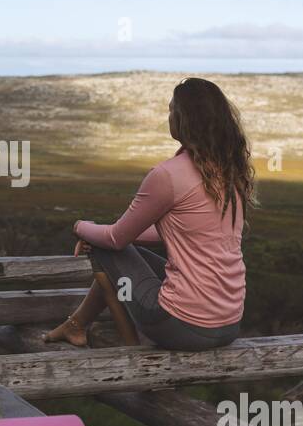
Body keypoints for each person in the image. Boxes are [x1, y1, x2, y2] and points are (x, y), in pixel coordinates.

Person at [45, 77, 255, 352]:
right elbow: (177, 231)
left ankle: (132, 356)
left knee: (104, 249)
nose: (169, 117)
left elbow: (115, 239)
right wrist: (114, 235)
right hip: (229, 324)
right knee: (116, 248)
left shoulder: (166, 175)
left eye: (171, 110)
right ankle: (76, 325)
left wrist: (81, 226)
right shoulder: (230, 171)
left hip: (180, 326)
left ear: (183, 119)